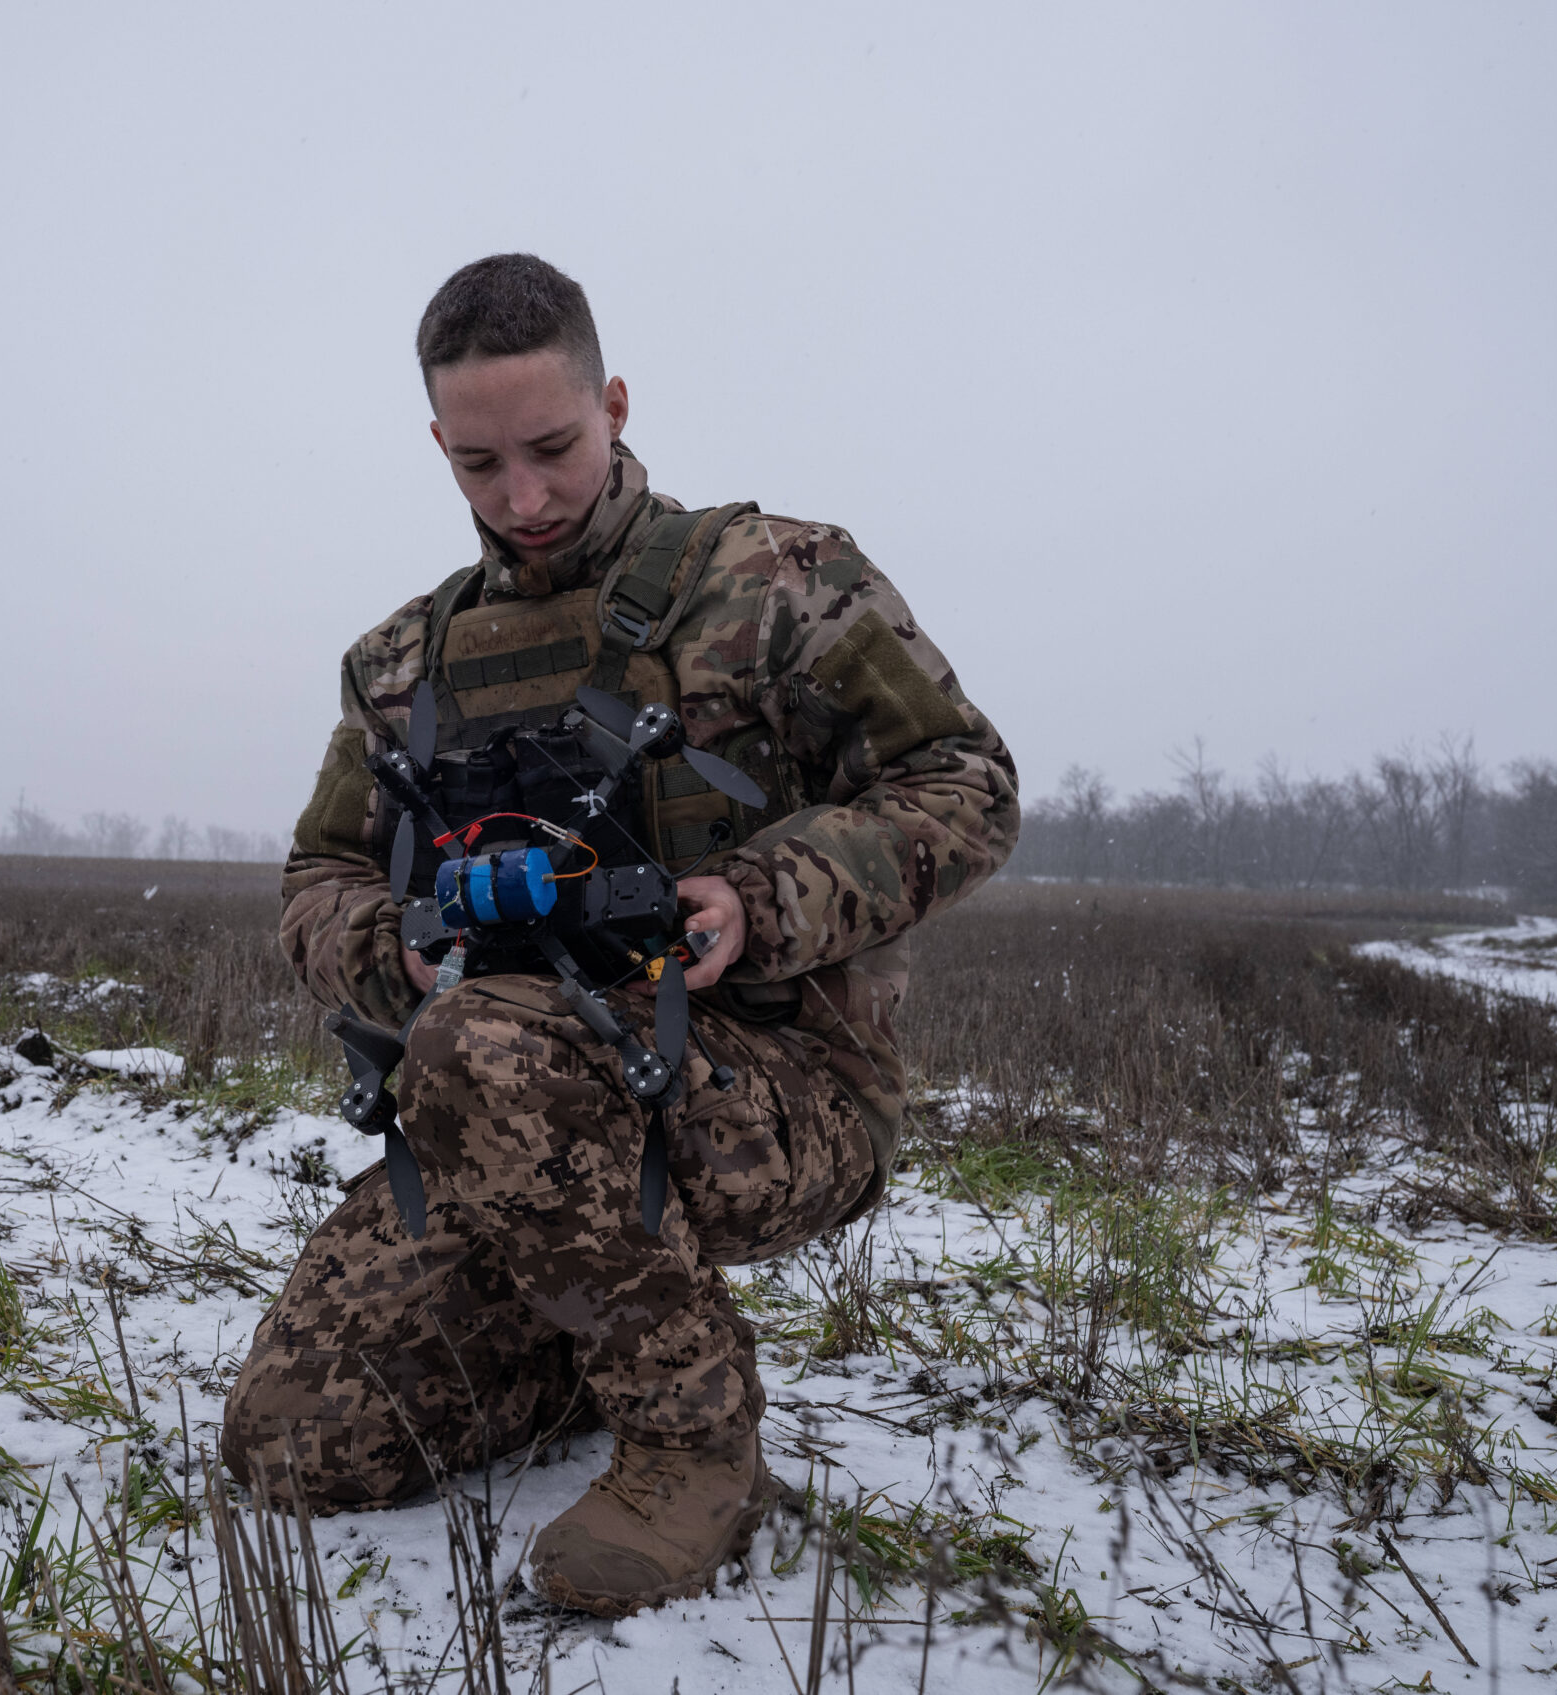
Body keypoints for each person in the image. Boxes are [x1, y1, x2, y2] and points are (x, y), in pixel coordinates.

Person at [221, 253, 1019, 1617]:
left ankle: (693, 1438)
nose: (521, 499)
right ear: (436, 445)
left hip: (770, 1094)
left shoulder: (781, 584)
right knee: (296, 1444)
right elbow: (320, 872)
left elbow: (966, 783)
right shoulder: (402, 663)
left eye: (552, 449)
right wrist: (393, 948)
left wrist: (758, 901)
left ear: (619, 406)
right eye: (478, 466)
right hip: (503, 1111)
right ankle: (585, 1323)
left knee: (480, 1041)